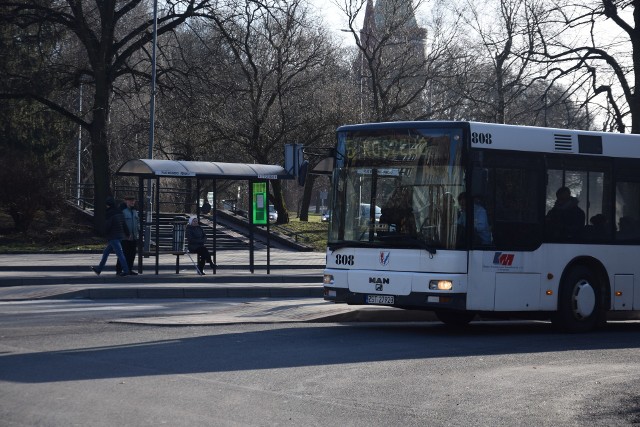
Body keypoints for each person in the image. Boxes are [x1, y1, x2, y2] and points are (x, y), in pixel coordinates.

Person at [91, 197, 131, 276]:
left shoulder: (109, 213)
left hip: (113, 236)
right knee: (106, 252)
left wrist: (104, 233)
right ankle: (99, 269)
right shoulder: (119, 212)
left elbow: (108, 226)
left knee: (120, 254)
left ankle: (126, 270)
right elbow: (124, 224)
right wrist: (127, 233)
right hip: (120, 236)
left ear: (108, 205)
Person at [116, 195, 139, 275]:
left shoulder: (135, 211)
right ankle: (119, 270)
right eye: (130, 200)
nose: (133, 202)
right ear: (126, 201)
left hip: (133, 236)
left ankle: (129, 269)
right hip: (124, 237)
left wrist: (137, 234)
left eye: (133, 200)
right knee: (123, 254)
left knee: (132, 254)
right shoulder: (122, 211)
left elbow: (137, 223)